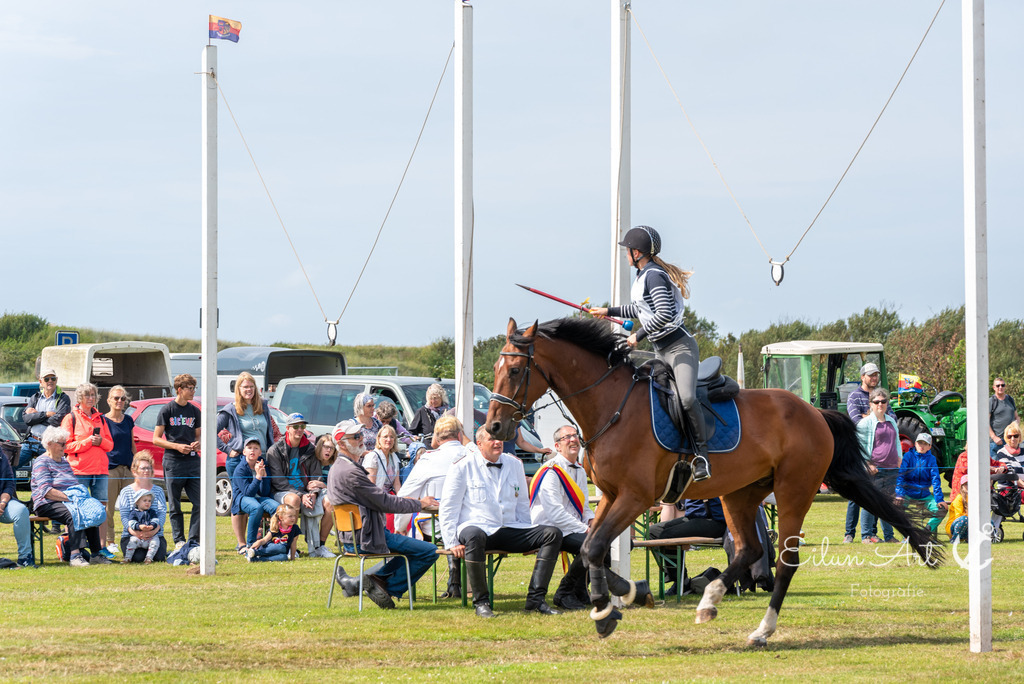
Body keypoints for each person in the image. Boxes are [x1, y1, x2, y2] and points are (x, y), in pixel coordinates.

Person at [590, 225, 709, 482]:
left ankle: (702, 456)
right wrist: (607, 312)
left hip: (679, 348)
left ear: (637, 252)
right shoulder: (643, 275)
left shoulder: (654, 276)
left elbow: (664, 313)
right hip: (660, 350)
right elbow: (639, 309)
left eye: (627, 251)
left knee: (687, 398)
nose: (625, 255)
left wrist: (637, 336)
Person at [440, 425, 563, 618]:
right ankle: (481, 602)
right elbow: (449, 506)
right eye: (492, 439)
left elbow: (522, 502)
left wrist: (528, 536)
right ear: (479, 444)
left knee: (552, 533)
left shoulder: (514, 463)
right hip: (476, 527)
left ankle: (536, 599)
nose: (498, 442)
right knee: (474, 535)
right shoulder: (462, 466)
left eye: (500, 439)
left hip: (509, 527)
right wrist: (452, 542)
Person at [530, 425, 652, 610]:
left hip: (572, 527)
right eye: (566, 437)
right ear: (557, 446)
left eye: (575, 435)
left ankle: (578, 590)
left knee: (613, 545)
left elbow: (584, 507)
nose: (573, 439)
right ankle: (565, 591)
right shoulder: (551, 471)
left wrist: (593, 523)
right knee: (593, 545)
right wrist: (587, 530)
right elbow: (555, 513)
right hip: (550, 529)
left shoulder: (579, 469)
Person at [328, 419, 439, 610]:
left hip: (354, 537)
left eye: (361, 435)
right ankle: (385, 586)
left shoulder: (339, 468)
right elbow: (385, 502)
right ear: (341, 444)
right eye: (355, 437)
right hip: (366, 537)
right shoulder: (350, 472)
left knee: (413, 551)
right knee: (429, 551)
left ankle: (363, 582)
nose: (361, 439)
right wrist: (419, 503)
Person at [395, 415, 467, 599]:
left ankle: (384, 581)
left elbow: (405, 495)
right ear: (459, 436)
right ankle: (456, 582)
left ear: (435, 437)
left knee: (409, 536)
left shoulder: (429, 459)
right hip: (472, 526)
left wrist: (400, 527)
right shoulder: (472, 455)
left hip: (436, 525)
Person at [30, 426, 111, 566]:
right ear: (49, 444)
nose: (65, 446)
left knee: (90, 510)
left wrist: (79, 498)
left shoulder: (65, 462)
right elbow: (46, 491)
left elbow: (73, 484)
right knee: (74, 513)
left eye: (65, 443)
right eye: (62, 444)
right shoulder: (41, 462)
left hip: (67, 500)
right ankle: (75, 555)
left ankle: (96, 554)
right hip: (46, 503)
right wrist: (72, 498)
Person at [217, 371, 276, 553]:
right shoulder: (231, 409)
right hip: (239, 461)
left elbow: (270, 431)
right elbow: (211, 431)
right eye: (245, 387)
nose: (248, 390)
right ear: (239, 389)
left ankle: (263, 539)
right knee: (241, 501)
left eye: (251, 387)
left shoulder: (263, 406)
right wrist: (228, 449)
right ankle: (241, 543)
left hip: (262, 458)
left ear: (255, 389)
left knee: (262, 496)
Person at [266, 413, 333, 557]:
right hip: (282, 491)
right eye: (295, 426)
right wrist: (301, 495)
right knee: (293, 500)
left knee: (330, 501)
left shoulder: (310, 449)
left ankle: (320, 546)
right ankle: (291, 546)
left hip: (306, 491)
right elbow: (278, 482)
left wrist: (314, 494)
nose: (299, 429)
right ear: (288, 428)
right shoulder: (275, 450)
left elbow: (316, 476)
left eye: (302, 426)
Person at [60, 382, 114, 557]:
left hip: (100, 470)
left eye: (93, 395)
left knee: (101, 508)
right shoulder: (71, 418)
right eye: (87, 395)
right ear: (80, 398)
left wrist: (100, 442)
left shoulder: (102, 418)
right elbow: (65, 446)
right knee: (78, 509)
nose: (91, 398)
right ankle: (78, 548)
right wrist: (87, 442)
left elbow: (110, 445)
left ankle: (100, 547)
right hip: (79, 471)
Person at [843, 362, 894, 543]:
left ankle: (872, 534)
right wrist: (876, 417)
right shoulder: (854, 396)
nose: (874, 378)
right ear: (862, 376)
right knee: (856, 494)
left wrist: (873, 416)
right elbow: (856, 421)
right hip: (860, 451)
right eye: (870, 375)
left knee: (876, 493)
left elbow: (893, 417)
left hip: (880, 453)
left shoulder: (881, 394)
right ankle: (849, 533)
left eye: (876, 375)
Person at [152, 374, 202, 549]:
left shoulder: (195, 410)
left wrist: (197, 444)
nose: (193, 391)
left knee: (199, 502)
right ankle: (179, 540)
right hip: (173, 462)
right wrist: (176, 446)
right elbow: (156, 439)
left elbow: (199, 436)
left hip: (193, 463)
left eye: (194, 388)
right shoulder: (167, 410)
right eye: (190, 388)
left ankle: (194, 540)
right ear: (180, 389)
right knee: (175, 505)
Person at [646, 497, 729, 595]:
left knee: (668, 535)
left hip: (714, 521)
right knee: (653, 532)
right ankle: (682, 580)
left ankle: (680, 582)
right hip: (692, 518)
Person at [856, 388, 901, 543]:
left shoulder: (891, 421)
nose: (880, 404)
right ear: (871, 404)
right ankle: (866, 535)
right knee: (870, 502)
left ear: (887, 403)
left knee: (888, 503)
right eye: (876, 402)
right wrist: (867, 463)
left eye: (883, 401)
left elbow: (896, 442)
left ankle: (889, 536)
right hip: (874, 470)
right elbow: (858, 446)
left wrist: (899, 457)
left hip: (891, 468)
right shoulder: (865, 423)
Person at [115, 452, 168, 563]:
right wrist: (135, 533)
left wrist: (153, 531)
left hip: (155, 535)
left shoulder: (158, 491)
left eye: (149, 468)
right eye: (143, 468)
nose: (146, 471)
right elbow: (124, 516)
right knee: (137, 558)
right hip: (131, 535)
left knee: (158, 558)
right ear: (134, 471)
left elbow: (162, 513)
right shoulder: (126, 491)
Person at [103, 385, 136, 557]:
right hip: (110, 469)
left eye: (122, 399)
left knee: (130, 506)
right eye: (116, 398)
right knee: (109, 508)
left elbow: (132, 444)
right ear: (108, 400)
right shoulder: (102, 420)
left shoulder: (128, 420)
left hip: (127, 468)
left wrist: (136, 464)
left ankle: (130, 537)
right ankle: (110, 541)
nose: (119, 401)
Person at [894, 433, 948, 534]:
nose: (921, 446)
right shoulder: (908, 456)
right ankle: (907, 535)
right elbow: (901, 476)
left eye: (925, 444)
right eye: (919, 443)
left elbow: (936, 479)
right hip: (907, 494)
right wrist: (900, 494)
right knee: (897, 508)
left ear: (929, 447)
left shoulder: (931, 459)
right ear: (915, 444)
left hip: (925, 495)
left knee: (942, 510)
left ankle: (925, 533)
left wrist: (939, 499)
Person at [232, 438, 281, 548]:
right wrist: (258, 477)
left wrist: (264, 477)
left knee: (277, 508)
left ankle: (271, 540)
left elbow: (264, 492)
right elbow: (247, 493)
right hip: (242, 498)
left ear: (260, 452)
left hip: (259, 498)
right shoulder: (240, 469)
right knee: (256, 508)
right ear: (244, 452)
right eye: (249, 448)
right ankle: (251, 544)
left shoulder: (264, 465)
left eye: (256, 448)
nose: (252, 451)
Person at [20, 368, 71, 470]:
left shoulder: (63, 398)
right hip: (31, 441)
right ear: (41, 381)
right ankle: (11, 486)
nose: (50, 381)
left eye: (53, 378)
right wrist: (46, 414)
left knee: (51, 471)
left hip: (50, 445)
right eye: (47, 379)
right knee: (10, 465)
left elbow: (58, 420)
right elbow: (27, 419)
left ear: (56, 380)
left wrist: (36, 415)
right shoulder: (35, 397)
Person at [0, 448, 33, 567]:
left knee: (21, 510)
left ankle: (25, 557)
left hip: (4, 502)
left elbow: (9, 484)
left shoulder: (1, 456)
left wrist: (3, 503)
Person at [121, 489, 162, 564]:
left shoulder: (152, 512)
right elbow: (131, 522)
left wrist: (152, 526)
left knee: (155, 541)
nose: (147, 503)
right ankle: (127, 558)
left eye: (149, 501)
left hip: (150, 536)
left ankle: (149, 558)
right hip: (138, 536)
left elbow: (156, 520)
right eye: (145, 500)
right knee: (132, 542)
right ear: (137, 502)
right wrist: (139, 526)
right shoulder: (134, 513)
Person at [989, 378, 1019, 459]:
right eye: (998, 385)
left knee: (1013, 467)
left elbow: (1016, 417)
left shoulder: (1010, 399)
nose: (1000, 387)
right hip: (997, 442)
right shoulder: (991, 401)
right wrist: (994, 437)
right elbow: (985, 421)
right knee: (996, 468)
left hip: (1011, 441)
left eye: (1002, 385)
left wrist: (1016, 431)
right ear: (994, 387)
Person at [946, 475, 969, 544]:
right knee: (964, 519)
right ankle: (954, 539)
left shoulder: (974, 497)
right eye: (966, 484)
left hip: (968, 525)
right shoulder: (959, 498)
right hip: (954, 527)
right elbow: (958, 516)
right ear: (962, 486)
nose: (969, 486)